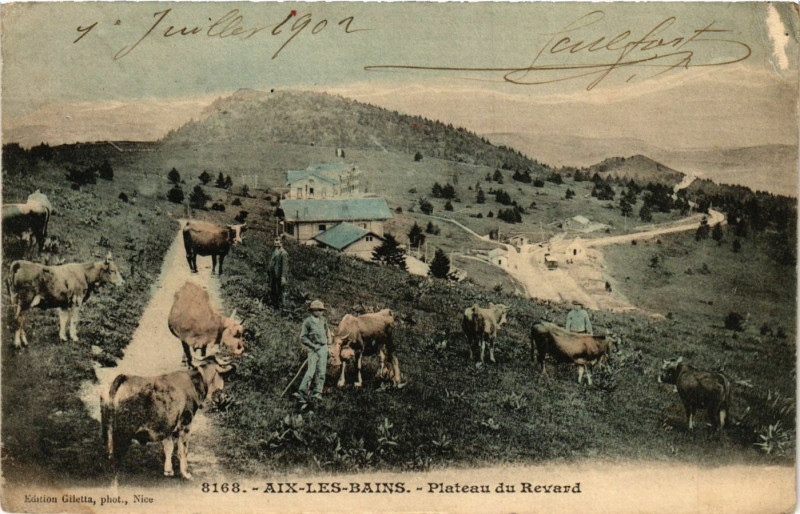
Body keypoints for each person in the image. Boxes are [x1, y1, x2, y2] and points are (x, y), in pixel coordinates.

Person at [297, 300, 329, 410]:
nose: (319, 312)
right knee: (310, 372)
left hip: (323, 348)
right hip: (313, 349)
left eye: (321, 310)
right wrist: (313, 346)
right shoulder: (307, 322)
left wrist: (326, 344)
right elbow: (303, 337)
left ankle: (317, 394)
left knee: (321, 372)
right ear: (312, 311)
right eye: (317, 310)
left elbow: (326, 332)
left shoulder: (323, 320)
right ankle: (302, 395)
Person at [268, 237, 289, 308]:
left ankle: (281, 307)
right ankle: (274, 305)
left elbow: (285, 267)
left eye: (278, 241)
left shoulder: (284, 253)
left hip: (279, 276)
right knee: (273, 290)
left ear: (282, 243)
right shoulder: (275, 251)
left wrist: (283, 277)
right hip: (273, 275)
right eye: (275, 241)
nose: (276, 243)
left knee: (280, 291)